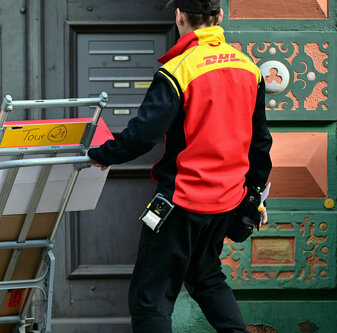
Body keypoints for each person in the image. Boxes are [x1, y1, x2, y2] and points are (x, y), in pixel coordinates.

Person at [87, 0, 272, 332]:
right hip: (226, 201)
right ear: (219, 17)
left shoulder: (178, 70)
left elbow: (143, 135)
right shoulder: (249, 68)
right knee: (207, 278)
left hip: (181, 202)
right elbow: (261, 144)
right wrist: (255, 196)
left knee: (151, 299)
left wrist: (101, 155)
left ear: (179, 17)